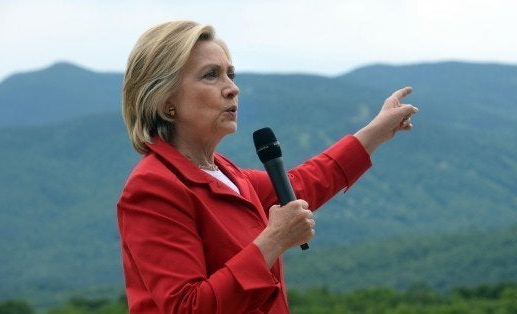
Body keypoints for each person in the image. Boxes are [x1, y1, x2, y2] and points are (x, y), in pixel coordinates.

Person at [117, 20, 418, 313]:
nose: (232, 89)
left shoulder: (226, 174)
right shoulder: (153, 187)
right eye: (211, 75)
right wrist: (273, 240)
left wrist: (377, 130)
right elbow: (188, 307)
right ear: (165, 99)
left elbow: (304, 184)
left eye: (231, 75)